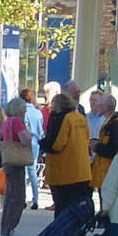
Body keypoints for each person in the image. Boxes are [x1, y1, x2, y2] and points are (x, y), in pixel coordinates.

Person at [41, 86, 94, 221]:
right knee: (78, 206)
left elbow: (57, 144)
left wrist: (42, 143)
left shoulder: (63, 119)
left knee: (63, 208)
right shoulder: (80, 117)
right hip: (82, 170)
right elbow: (87, 138)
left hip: (66, 172)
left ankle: (62, 234)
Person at [0, 104, 34, 236]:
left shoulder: (7, 122)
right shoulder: (17, 121)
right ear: (19, 110)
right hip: (17, 162)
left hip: (8, 160)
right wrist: (30, 135)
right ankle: (9, 231)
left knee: (10, 196)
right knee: (18, 197)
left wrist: (2, 147)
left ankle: (5, 229)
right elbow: (25, 139)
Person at [89, 92, 118, 236]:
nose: (97, 106)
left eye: (100, 104)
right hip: (107, 168)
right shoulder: (110, 122)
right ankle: (108, 230)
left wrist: (97, 148)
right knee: (107, 199)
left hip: (110, 168)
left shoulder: (114, 124)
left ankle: (110, 231)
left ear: (107, 106)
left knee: (110, 201)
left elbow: (112, 148)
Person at [21, 87, 46, 207]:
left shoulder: (22, 112)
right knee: (33, 171)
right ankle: (35, 199)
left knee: (23, 171)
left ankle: (24, 199)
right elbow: (41, 131)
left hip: (25, 142)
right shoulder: (38, 112)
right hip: (35, 142)